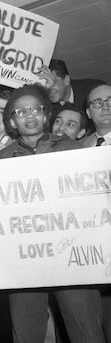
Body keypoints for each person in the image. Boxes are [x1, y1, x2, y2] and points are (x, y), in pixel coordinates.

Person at [0, 84, 105, 343]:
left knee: (86, 330)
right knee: (26, 333)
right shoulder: (2, 159)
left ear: (45, 116)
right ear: (12, 120)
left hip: (73, 256)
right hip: (26, 259)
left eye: (35, 109)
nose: (29, 115)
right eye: (21, 111)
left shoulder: (73, 150)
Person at [81, 83, 111, 341]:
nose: (106, 106)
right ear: (89, 113)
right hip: (91, 252)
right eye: (98, 103)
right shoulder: (77, 148)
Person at [39, 59, 104, 130]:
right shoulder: (46, 107)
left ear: (66, 80)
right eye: (46, 83)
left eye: (54, 82)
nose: (49, 88)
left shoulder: (94, 90)